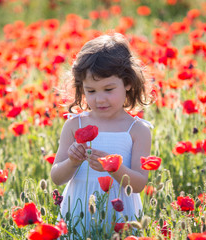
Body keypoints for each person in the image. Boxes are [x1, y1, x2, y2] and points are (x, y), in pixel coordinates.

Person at [50, 33, 153, 238]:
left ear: (128, 83)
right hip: (79, 212)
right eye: (91, 91)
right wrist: (72, 161)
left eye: (108, 89)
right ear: (81, 89)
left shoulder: (137, 130)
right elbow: (56, 178)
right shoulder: (74, 125)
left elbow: (139, 184)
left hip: (121, 215)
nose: (100, 99)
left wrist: (114, 168)